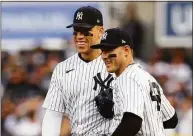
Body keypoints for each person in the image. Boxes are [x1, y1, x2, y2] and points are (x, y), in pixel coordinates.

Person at [42, 6, 114, 136]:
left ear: (101, 31)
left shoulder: (117, 65)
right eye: (76, 31)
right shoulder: (62, 69)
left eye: (86, 31)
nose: (80, 36)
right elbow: (53, 114)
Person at [91, 28, 178, 136]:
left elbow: (132, 122)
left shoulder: (128, 78)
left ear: (126, 50)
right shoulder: (147, 78)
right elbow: (171, 120)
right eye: (102, 51)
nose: (104, 56)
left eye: (109, 50)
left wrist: (127, 119)